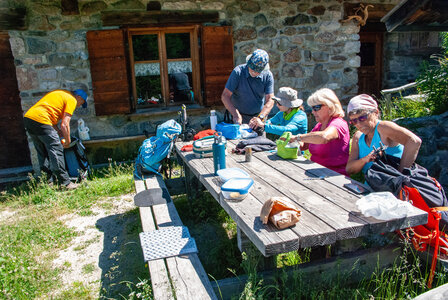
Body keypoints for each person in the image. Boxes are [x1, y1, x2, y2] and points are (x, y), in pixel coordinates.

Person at [23, 89, 88, 189]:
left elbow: (50, 115)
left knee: (42, 151)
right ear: (79, 97)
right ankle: (65, 183)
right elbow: (65, 124)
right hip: (42, 119)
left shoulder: (61, 94)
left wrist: (57, 131)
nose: (78, 106)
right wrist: (67, 140)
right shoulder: (72, 99)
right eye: (81, 103)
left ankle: (47, 181)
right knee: (56, 150)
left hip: (29, 118)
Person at [345, 94, 422, 175]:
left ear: (376, 113)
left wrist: (400, 176)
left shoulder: (383, 128)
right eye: (353, 121)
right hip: (371, 185)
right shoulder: (358, 137)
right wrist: (365, 159)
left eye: (362, 118)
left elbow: (414, 141)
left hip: (394, 185)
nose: (359, 124)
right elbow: (349, 169)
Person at [287, 88, 350, 175]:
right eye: (312, 108)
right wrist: (288, 142)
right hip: (315, 172)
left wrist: (297, 137)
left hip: (334, 176)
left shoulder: (338, 123)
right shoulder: (319, 125)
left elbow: (324, 137)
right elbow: (305, 145)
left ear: (330, 107)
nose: (312, 112)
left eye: (316, 108)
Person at [221, 49, 275, 126]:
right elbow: (225, 96)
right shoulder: (238, 72)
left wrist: (260, 117)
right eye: (252, 69)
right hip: (238, 116)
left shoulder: (267, 75)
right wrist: (235, 115)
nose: (254, 72)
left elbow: (270, 99)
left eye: (257, 71)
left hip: (258, 117)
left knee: (260, 138)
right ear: (249, 63)